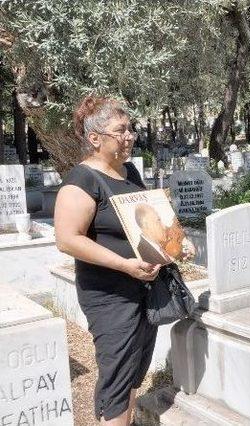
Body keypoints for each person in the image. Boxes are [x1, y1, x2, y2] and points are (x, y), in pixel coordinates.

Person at [55, 95, 160, 425]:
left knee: (132, 376)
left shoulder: (128, 171)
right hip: (109, 297)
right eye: (121, 130)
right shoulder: (82, 181)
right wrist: (125, 264)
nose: (129, 136)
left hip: (142, 289)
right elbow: (67, 239)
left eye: (130, 129)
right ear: (95, 138)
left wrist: (171, 245)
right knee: (116, 379)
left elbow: (143, 221)